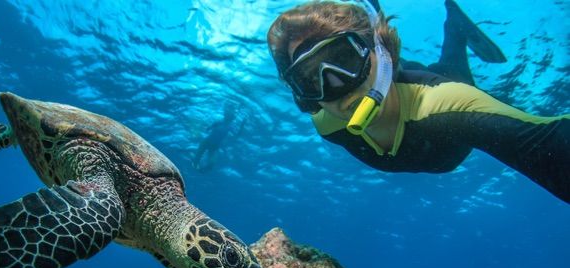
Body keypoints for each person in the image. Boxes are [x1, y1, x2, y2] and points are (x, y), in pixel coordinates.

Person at [267, 0, 570, 202]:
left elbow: (549, 142)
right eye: (310, 78)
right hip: (400, 80)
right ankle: (454, 28)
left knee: (454, 66)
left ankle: (455, 27)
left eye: (343, 59)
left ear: (381, 53)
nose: (336, 86)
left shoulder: (447, 104)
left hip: (432, 80)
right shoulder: (327, 123)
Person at [192, 102, 245, 171]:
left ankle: (200, 170)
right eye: (227, 113)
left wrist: (242, 126)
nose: (227, 114)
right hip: (208, 142)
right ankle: (196, 166)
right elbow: (208, 128)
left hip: (214, 146)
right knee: (198, 158)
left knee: (211, 164)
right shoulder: (220, 122)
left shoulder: (229, 126)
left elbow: (237, 136)